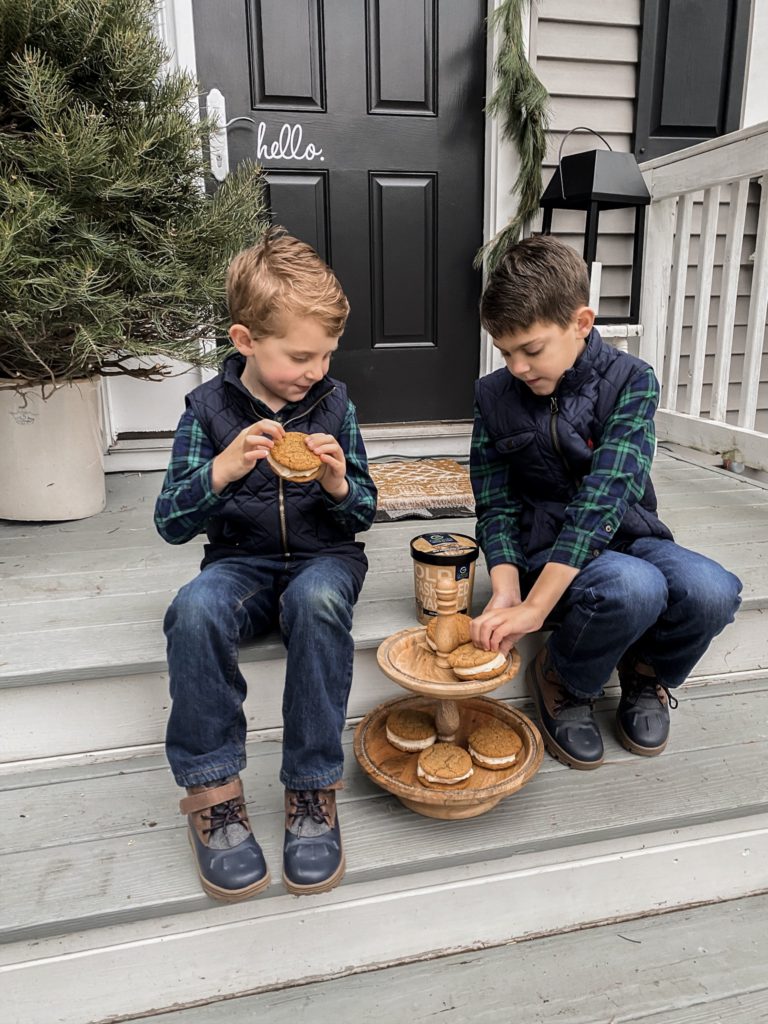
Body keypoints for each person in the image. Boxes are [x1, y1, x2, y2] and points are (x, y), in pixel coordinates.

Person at [154, 230, 377, 901]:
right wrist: (220, 470)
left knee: (314, 603)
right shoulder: (205, 413)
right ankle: (214, 792)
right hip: (241, 563)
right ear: (246, 339)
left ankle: (311, 791)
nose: (317, 368)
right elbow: (171, 523)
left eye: (327, 354)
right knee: (193, 610)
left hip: (323, 561)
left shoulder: (336, 407)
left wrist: (340, 484)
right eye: (301, 355)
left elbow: (363, 512)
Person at [469, 235, 742, 770]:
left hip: (630, 536)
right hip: (545, 550)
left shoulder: (633, 382)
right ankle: (563, 677)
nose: (518, 367)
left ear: (582, 322)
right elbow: (495, 503)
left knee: (714, 590)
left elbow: (604, 500)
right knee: (632, 588)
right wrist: (507, 593)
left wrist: (535, 609)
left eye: (531, 349)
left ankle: (646, 672)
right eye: (506, 352)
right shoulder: (493, 397)